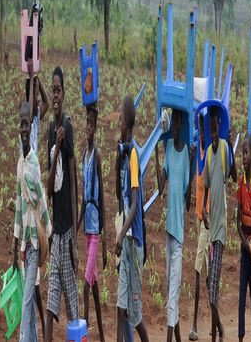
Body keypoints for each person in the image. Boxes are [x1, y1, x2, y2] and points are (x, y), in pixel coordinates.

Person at [13, 100, 52, 342]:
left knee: (27, 301)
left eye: (27, 124)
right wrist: (14, 244)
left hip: (36, 243)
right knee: (27, 300)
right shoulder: (20, 164)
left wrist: (48, 232)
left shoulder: (34, 164)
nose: (24, 129)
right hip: (25, 245)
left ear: (31, 126)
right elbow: (19, 205)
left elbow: (43, 202)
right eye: (21, 125)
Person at [45, 67, 79, 342]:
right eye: (52, 90)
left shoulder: (67, 126)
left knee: (73, 310)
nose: (55, 95)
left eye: (58, 90)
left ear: (64, 94)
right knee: (50, 305)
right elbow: (48, 186)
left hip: (67, 232)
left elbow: (74, 182)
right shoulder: (50, 132)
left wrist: (76, 242)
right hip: (55, 233)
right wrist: (55, 150)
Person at [156, 109, 194, 342]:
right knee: (171, 288)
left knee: (172, 293)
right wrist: (158, 152)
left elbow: (188, 203)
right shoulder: (169, 148)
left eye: (179, 120)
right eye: (175, 121)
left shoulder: (185, 156)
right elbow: (161, 188)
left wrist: (192, 161)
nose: (176, 125)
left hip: (178, 235)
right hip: (168, 232)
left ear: (183, 123)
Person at [18, 59, 50, 338]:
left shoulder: (35, 121)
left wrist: (35, 77)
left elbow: (45, 104)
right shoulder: (26, 129)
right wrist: (30, 76)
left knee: (31, 289)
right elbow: (27, 108)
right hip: (29, 220)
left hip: (35, 221)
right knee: (32, 288)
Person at [115, 96, 149, 342]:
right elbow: (119, 194)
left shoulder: (135, 155)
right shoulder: (126, 154)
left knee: (135, 317)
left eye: (119, 117)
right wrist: (118, 159)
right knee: (120, 308)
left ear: (126, 121)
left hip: (133, 243)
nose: (117, 121)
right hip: (126, 242)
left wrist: (120, 234)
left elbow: (136, 205)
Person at [202, 107, 237, 342]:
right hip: (210, 225)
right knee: (209, 283)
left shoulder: (224, 148)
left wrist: (232, 149)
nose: (214, 135)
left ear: (220, 130)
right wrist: (204, 209)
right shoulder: (208, 154)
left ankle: (217, 334)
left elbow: (233, 177)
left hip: (220, 230)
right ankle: (220, 328)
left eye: (216, 131)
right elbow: (205, 185)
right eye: (212, 131)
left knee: (213, 290)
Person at [77, 103, 107, 341]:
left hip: (95, 231)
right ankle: (104, 335)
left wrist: (105, 243)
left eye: (91, 124)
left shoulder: (96, 155)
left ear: (96, 128)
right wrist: (75, 230)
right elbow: (83, 198)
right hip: (86, 229)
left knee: (85, 287)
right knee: (95, 287)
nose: (88, 127)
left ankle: (84, 335)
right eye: (86, 123)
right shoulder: (83, 156)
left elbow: (102, 198)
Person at [236, 134, 251, 342]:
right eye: (242, 153)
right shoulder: (241, 184)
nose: (243, 157)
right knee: (242, 294)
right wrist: (243, 240)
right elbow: (236, 220)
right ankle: (241, 335)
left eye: (247, 153)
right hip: (244, 249)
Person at [189, 114, 210, 342]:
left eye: (206, 131)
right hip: (198, 219)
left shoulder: (212, 154)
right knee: (206, 276)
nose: (203, 135)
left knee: (196, 270)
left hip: (208, 220)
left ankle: (194, 323)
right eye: (201, 131)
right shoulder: (198, 155)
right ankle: (219, 324)